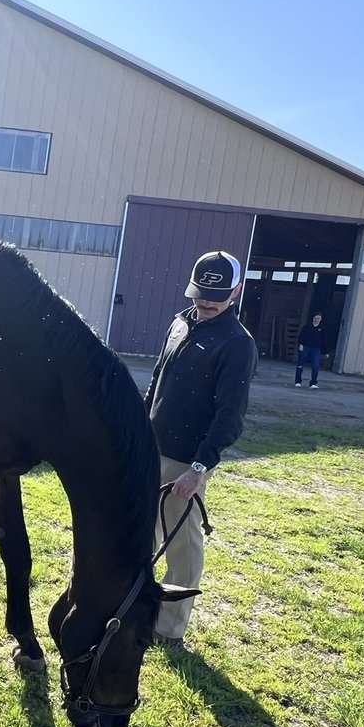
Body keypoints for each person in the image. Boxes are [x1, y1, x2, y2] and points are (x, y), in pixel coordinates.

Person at [144, 250, 258, 649]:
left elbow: (230, 418)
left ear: (236, 291)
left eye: (217, 295)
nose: (206, 302)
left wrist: (198, 468)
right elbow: (158, 378)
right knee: (143, 533)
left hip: (186, 460)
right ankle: (137, 605)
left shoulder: (237, 344)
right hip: (150, 447)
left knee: (181, 542)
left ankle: (170, 628)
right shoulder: (180, 323)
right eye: (200, 293)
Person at [294, 312, 326, 388]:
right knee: (300, 364)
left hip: (316, 349)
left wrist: (325, 351)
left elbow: (324, 340)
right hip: (306, 347)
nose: (317, 320)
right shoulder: (307, 327)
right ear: (313, 318)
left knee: (315, 365)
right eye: (315, 318)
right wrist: (301, 344)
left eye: (318, 319)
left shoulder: (322, 328)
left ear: (320, 319)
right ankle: (298, 381)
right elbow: (301, 336)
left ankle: (313, 383)